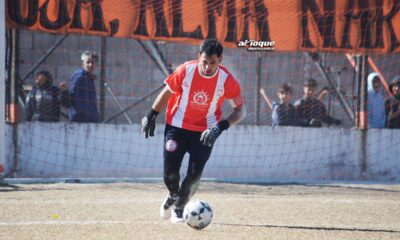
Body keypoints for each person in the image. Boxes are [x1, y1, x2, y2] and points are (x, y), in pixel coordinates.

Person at [141, 39, 246, 224]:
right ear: (199, 57)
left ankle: (179, 208)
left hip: (206, 131)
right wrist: (151, 115)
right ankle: (173, 193)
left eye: (212, 62)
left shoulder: (227, 81)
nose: (207, 67)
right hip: (177, 126)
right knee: (170, 174)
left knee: (194, 174)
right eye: (204, 61)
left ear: (220, 60)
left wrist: (220, 127)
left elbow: (240, 111)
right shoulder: (185, 70)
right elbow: (167, 91)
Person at [69, 51, 99, 123]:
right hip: (80, 119)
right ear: (83, 63)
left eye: (93, 63)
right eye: (88, 62)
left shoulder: (90, 78)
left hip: (90, 118)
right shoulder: (79, 77)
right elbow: (73, 97)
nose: (90, 65)